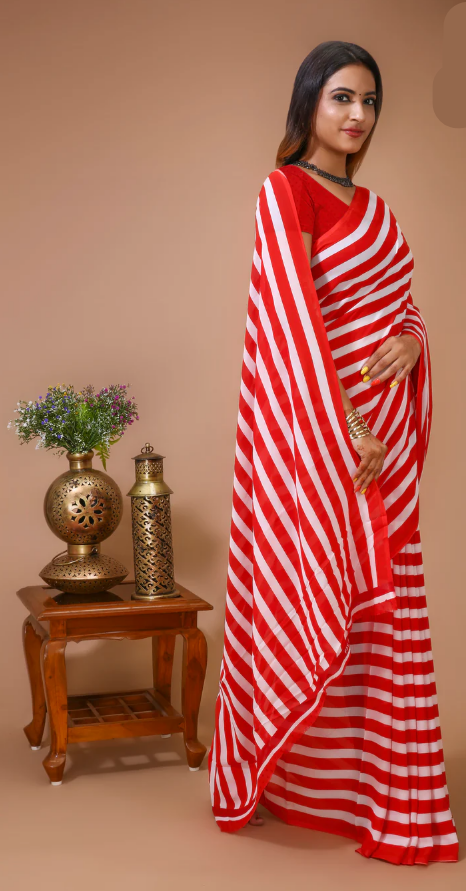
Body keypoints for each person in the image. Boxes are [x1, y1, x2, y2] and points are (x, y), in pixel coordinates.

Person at [208, 41, 459, 864]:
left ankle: (387, 796)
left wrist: (416, 343)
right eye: (343, 97)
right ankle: (295, 785)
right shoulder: (285, 191)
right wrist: (343, 429)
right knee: (323, 599)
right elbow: (289, 322)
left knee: (389, 623)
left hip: (385, 453)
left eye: (372, 102)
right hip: (328, 447)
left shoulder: (378, 209)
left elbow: (405, 308)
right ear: (309, 102)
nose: (358, 115)